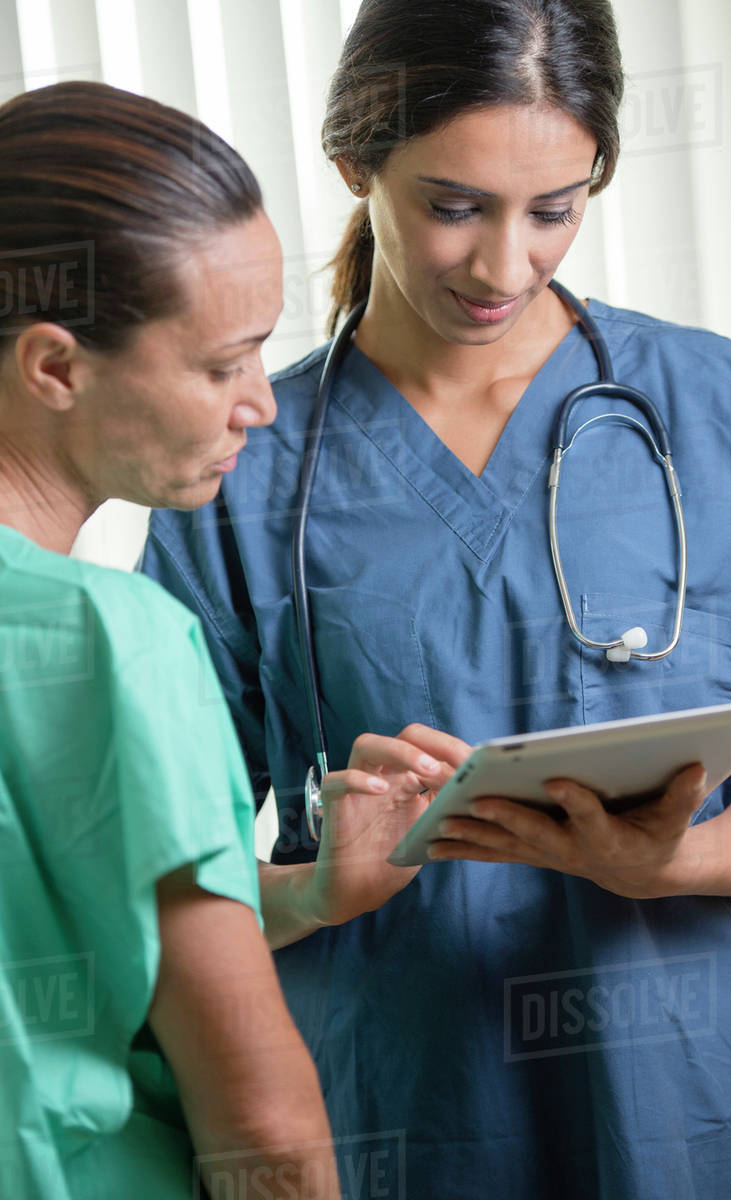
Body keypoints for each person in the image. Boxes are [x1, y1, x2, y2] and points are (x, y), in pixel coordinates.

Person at [141, 1, 731, 1196]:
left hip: (695, 1110)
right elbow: (166, 886)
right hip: (408, 1113)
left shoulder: (726, 411)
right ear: (355, 163)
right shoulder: (242, 469)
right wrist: (318, 889)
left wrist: (672, 862)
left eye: (555, 209)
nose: (505, 266)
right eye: (453, 207)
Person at [0, 79, 450, 1200]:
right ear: (54, 367)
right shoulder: (118, 641)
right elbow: (263, 1130)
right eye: (220, 365)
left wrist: (305, 894)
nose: (261, 403)